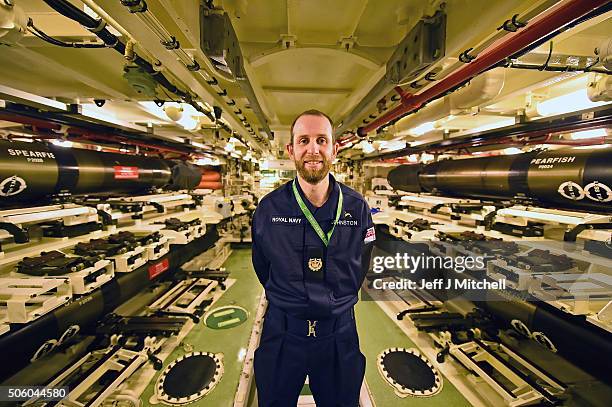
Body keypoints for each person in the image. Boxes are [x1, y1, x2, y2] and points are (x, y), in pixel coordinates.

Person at [251, 109, 376, 406]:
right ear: (291, 149)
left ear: (335, 148)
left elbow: (361, 265)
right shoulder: (269, 210)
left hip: (338, 335)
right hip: (283, 333)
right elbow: (262, 266)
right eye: (304, 140)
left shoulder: (357, 208)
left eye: (322, 140)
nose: (313, 149)